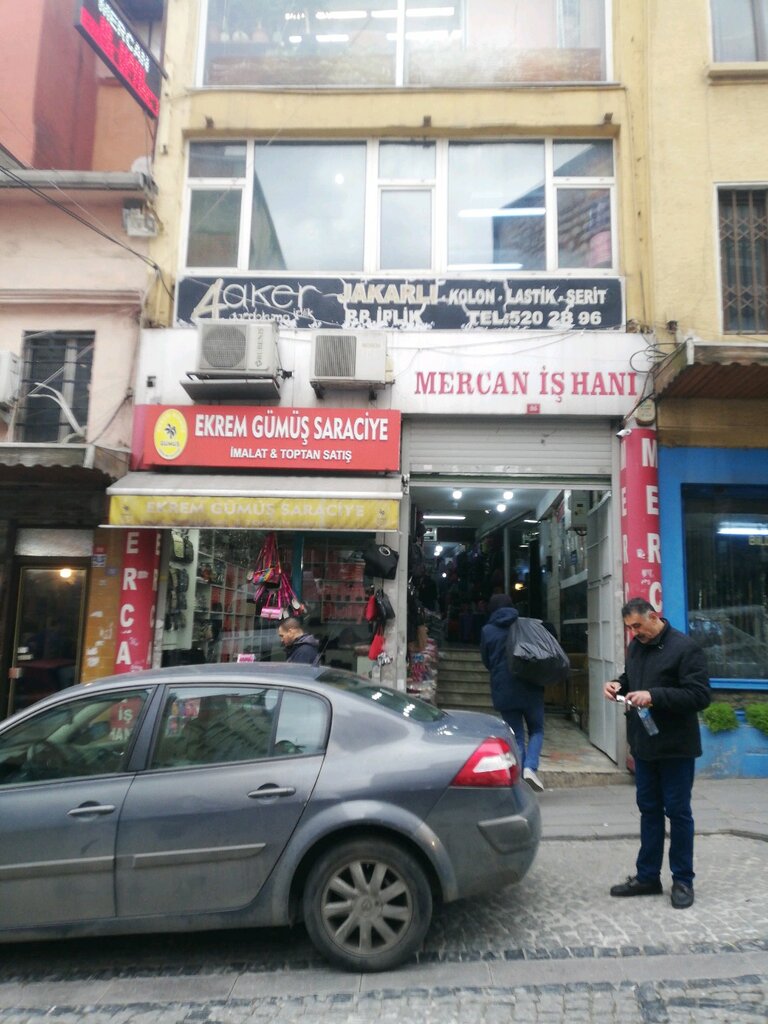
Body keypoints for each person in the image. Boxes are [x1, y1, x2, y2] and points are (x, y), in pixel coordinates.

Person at [603, 597, 711, 910]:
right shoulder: (636, 647)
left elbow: (700, 695)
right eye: (629, 628)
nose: (634, 632)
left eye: (638, 625)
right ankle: (648, 876)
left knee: (678, 813)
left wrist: (654, 696)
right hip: (645, 745)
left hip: (676, 748)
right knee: (648, 810)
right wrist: (617, 685)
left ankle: (683, 880)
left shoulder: (685, 648)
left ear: (654, 616)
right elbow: (632, 681)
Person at [480, 595, 545, 792]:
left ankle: (518, 779)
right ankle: (530, 767)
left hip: (504, 689)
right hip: (531, 686)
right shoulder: (525, 625)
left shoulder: (488, 631)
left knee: (516, 736)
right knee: (537, 730)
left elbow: (487, 661)